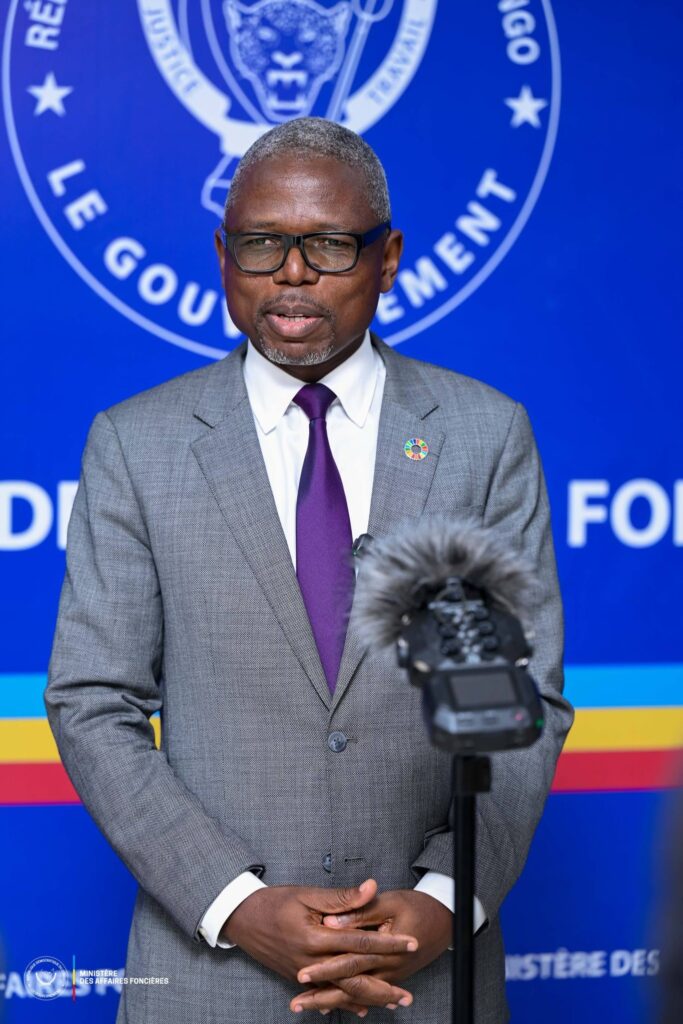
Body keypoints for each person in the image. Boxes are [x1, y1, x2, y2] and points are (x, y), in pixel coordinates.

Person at [45, 117, 573, 1023]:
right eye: (261, 244)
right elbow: (93, 701)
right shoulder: (136, 444)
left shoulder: (482, 438)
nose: (291, 273)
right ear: (223, 257)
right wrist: (235, 904)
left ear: (387, 258)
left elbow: (514, 704)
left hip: (425, 978)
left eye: (328, 244)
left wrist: (443, 904)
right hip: (209, 981)